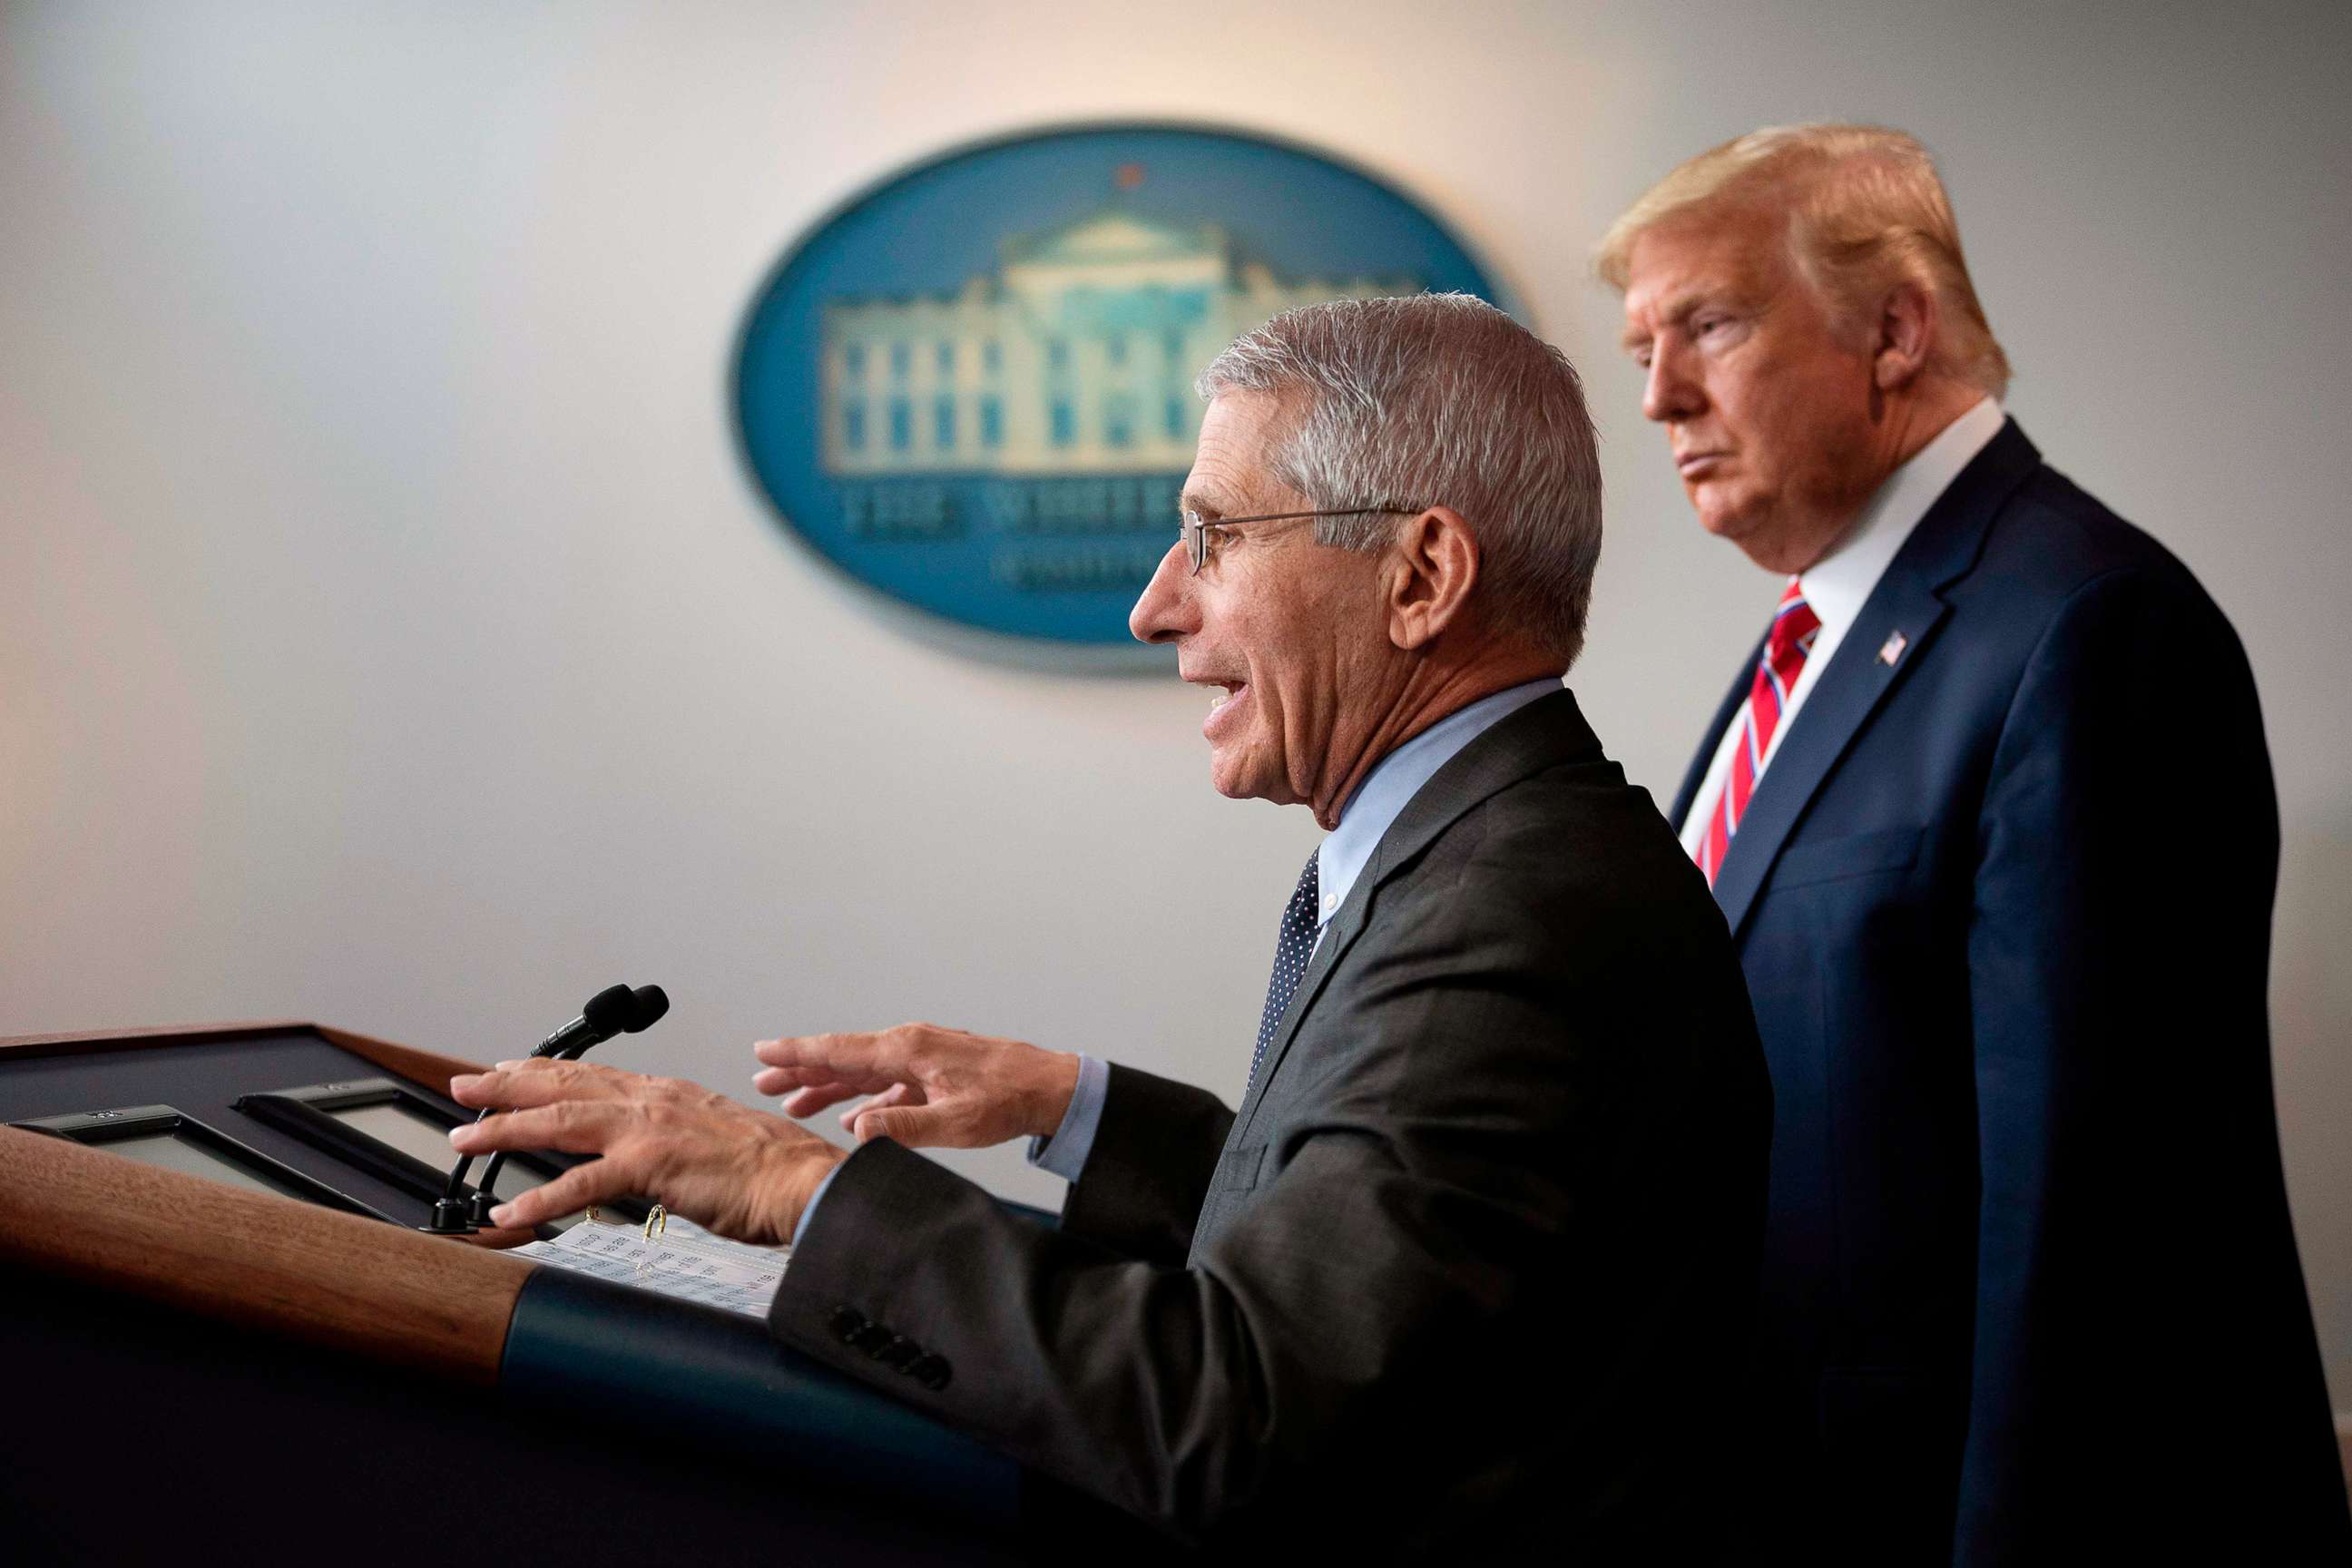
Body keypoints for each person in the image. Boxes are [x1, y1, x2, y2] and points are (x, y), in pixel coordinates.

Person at [450, 294, 1770, 1554]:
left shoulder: (1510, 915)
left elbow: (1239, 1414)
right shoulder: (1496, 852)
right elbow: (1383, 1280)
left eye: (1217, 538)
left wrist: (793, 1184)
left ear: (1420, 576)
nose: (1157, 606)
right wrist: (1073, 1104)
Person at [1600, 123, 2347, 1562]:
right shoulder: (1817, 636)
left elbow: (2098, 1229)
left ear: (1894, 329)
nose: (1659, 395)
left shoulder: (2088, 627)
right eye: (1641, 345)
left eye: (1708, 324)